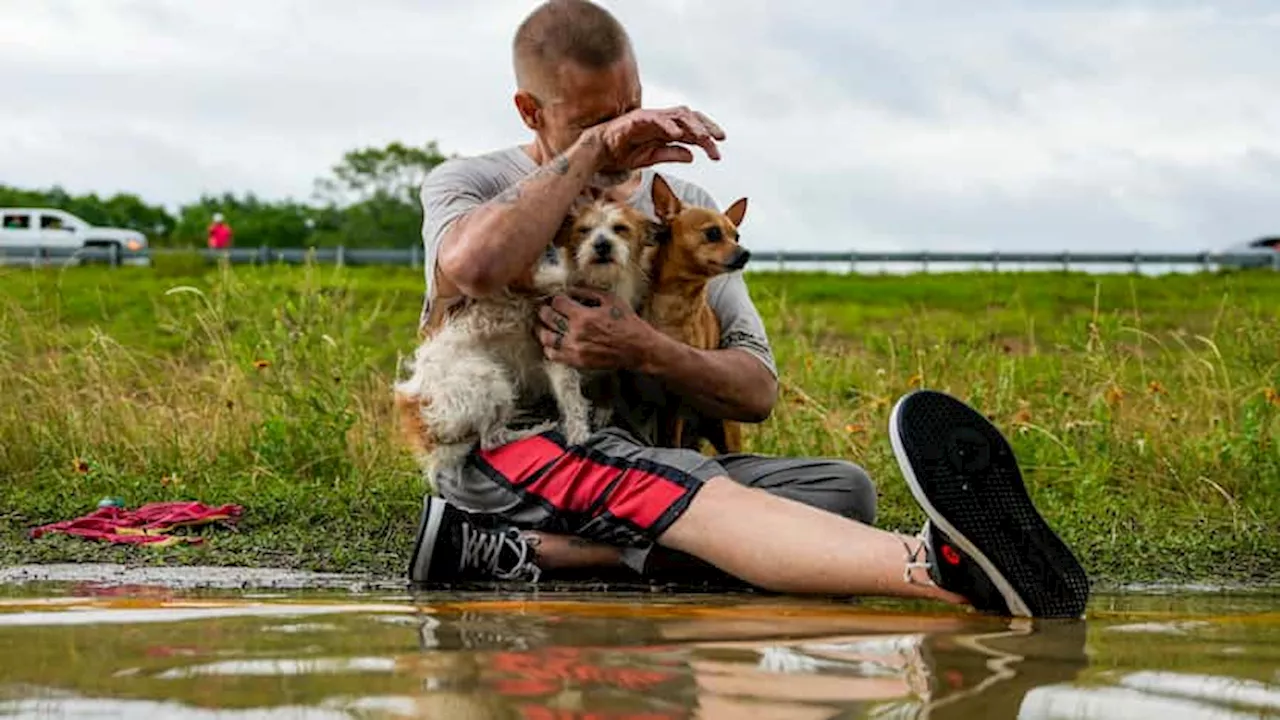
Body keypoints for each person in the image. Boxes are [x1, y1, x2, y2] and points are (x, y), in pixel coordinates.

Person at [406, 0, 1089, 619]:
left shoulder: (684, 209)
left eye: (630, 111)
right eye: (594, 123)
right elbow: (474, 267)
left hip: (643, 463)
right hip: (513, 450)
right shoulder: (471, 183)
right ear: (531, 111)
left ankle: (524, 553)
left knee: (840, 493)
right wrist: (590, 157)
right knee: (685, 479)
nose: (624, 137)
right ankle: (937, 567)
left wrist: (644, 347)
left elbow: (755, 393)